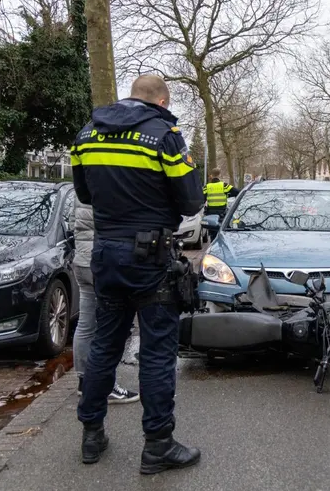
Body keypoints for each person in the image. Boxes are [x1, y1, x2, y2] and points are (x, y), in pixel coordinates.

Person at [71, 74, 205, 474]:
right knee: (157, 352)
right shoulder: (164, 134)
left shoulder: (86, 135)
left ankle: (91, 435)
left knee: (104, 348)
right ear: (161, 101)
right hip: (150, 257)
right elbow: (191, 198)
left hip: (106, 254)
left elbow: (84, 194)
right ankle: (158, 445)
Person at [72, 197, 139, 404]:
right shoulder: (105, 181)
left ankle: (85, 382)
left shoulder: (82, 185)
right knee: (109, 328)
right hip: (100, 259)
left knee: (85, 324)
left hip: (81, 260)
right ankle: (106, 385)